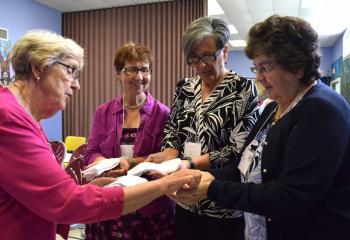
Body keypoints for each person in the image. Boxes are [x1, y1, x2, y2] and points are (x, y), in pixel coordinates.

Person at [0, 30, 200, 240]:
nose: (77, 85)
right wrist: (164, 185)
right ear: (37, 68)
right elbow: (67, 201)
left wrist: (98, 185)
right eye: (71, 71)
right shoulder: (9, 118)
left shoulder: (23, 115)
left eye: (145, 69)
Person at [171, 15, 350, 240]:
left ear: (297, 66)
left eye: (265, 67)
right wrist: (200, 176)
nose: (259, 77)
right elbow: (243, 168)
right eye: (255, 68)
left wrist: (212, 188)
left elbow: (291, 195)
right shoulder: (273, 108)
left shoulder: (321, 109)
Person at [146, 17, 259, 240]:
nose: (201, 65)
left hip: (222, 202)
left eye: (208, 56)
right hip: (185, 198)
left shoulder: (244, 89)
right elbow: (173, 127)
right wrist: (169, 151)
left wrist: (189, 163)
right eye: (194, 58)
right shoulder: (185, 87)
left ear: (224, 52)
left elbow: (238, 149)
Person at [84, 42, 175, 239]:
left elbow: (168, 158)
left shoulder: (163, 113)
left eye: (145, 69)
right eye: (132, 70)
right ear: (118, 73)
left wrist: (130, 163)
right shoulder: (103, 112)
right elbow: (91, 151)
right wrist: (102, 164)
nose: (140, 77)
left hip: (150, 207)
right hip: (109, 200)